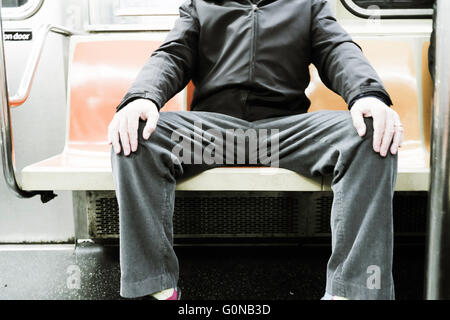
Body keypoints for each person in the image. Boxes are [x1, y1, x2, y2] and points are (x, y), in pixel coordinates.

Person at [108, 0, 403, 300]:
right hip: (212, 137)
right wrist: (143, 97)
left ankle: (352, 292)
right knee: (134, 134)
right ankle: (155, 289)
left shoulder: (308, 5)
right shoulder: (201, 5)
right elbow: (173, 54)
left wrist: (366, 94)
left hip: (285, 136)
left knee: (369, 133)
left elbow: (337, 49)